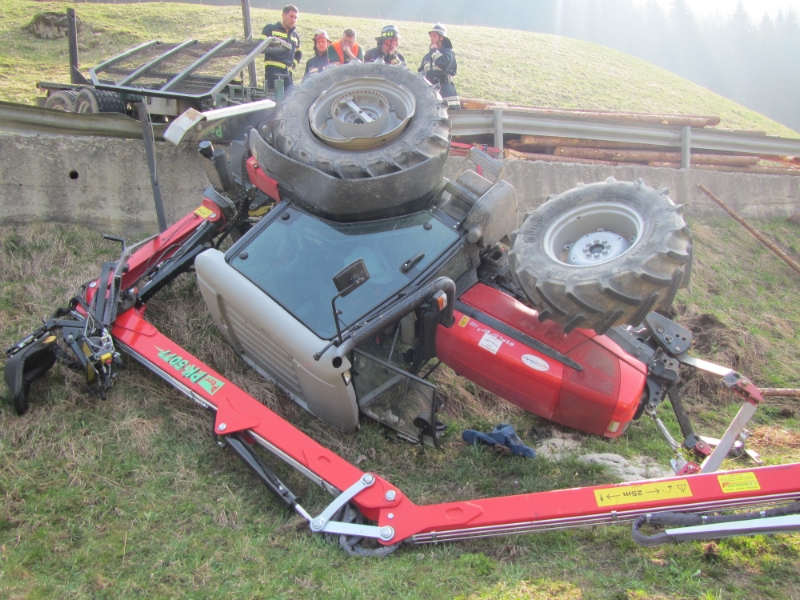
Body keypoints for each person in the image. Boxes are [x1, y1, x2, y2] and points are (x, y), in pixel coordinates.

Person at [418, 23, 460, 110]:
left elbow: (443, 63)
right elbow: (420, 74)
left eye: (434, 36)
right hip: (431, 93)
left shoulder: (448, 53)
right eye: (431, 36)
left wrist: (434, 51)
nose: (431, 38)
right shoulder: (427, 57)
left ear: (441, 37)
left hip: (446, 93)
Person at [261, 5, 302, 91]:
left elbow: (299, 53)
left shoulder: (295, 36)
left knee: (290, 98)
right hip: (273, 72)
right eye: (291, 16)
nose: (293, 20)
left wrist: (293, 64)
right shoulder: (270, 28)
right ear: (283, 15)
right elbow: (260, 46)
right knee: (273, 97)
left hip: (288, 74)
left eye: (295, 18)